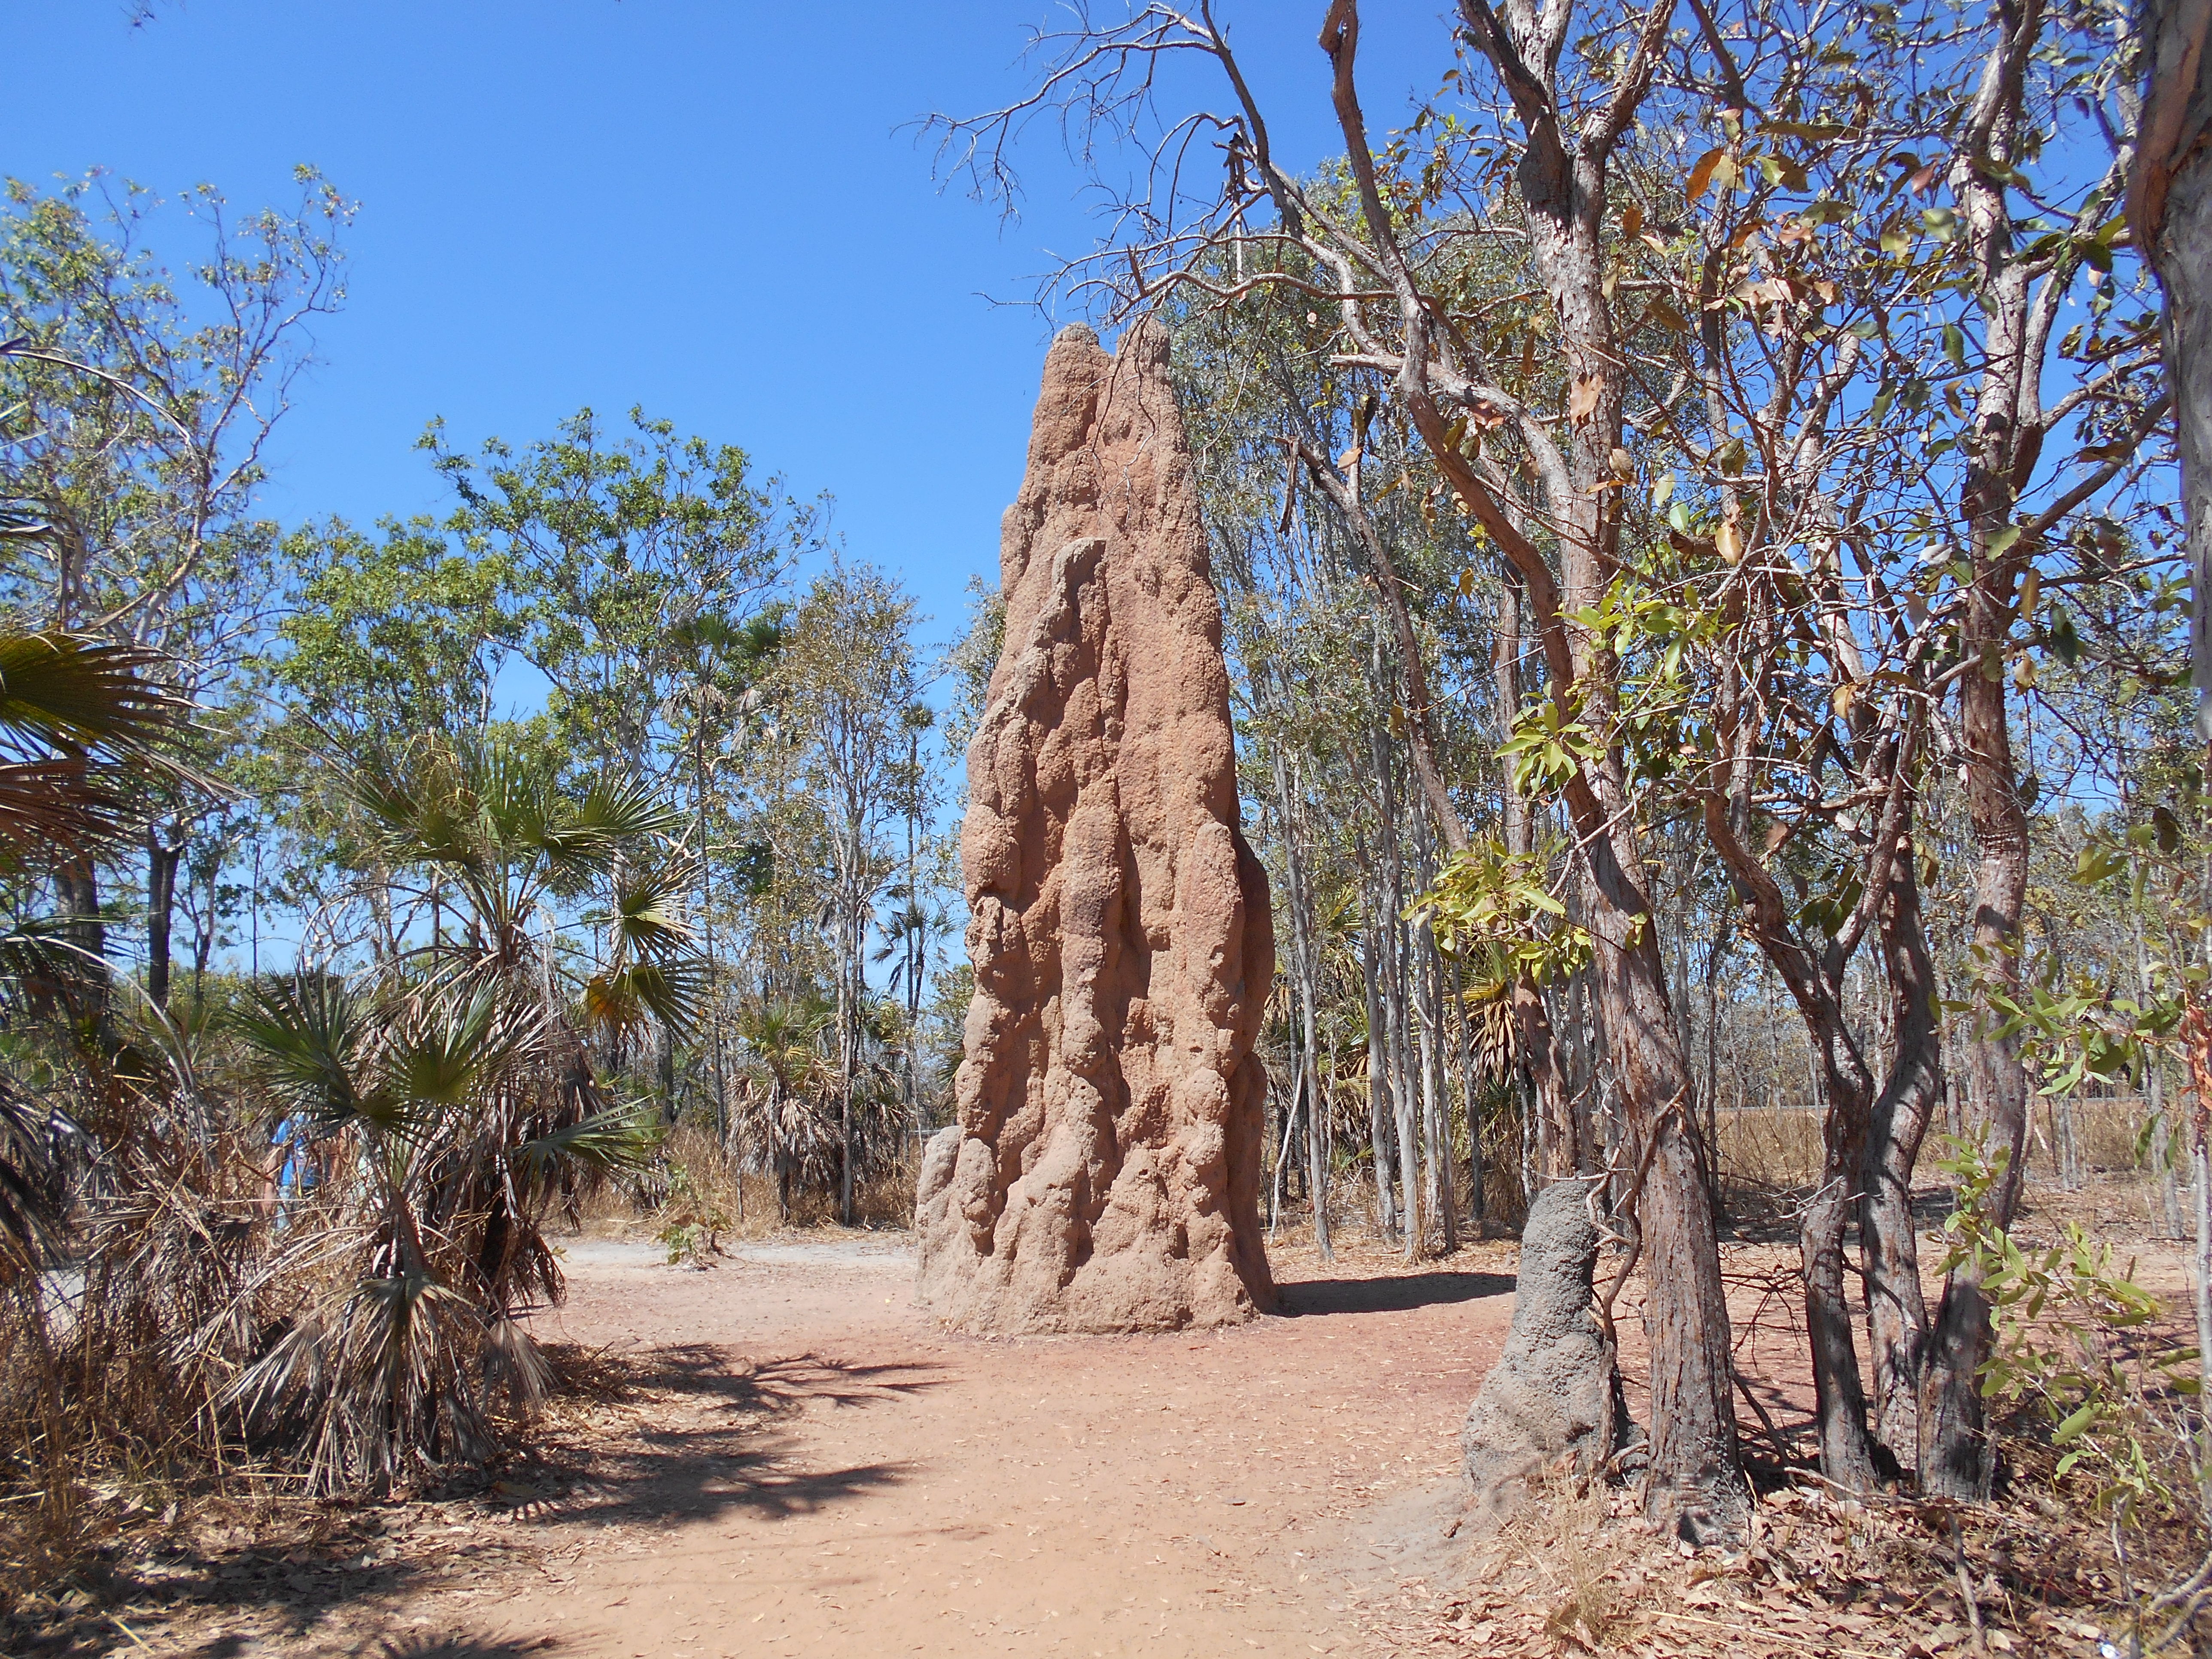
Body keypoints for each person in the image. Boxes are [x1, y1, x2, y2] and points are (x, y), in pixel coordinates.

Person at [262, 1111, 322, 1224]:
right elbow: (276, 1155)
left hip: (317, 1187)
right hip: (290, 1186)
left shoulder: (329, 1124)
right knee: (284, 1229)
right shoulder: (293, 1122)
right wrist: (269, 1191)